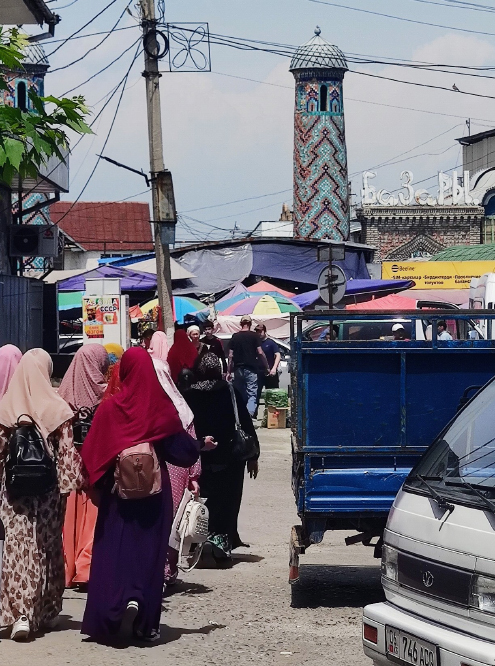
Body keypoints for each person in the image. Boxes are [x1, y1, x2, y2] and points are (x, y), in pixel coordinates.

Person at [80, 347, 214, 643]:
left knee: (115, 550)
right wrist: (200, 447)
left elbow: (93, 455)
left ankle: (112, 614)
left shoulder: (110, 409)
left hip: (119, 495)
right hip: (155, 494)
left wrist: (98, 488)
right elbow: (180, 449)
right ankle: (143, 617)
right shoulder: (159, 407)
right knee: (149, 553)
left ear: (123, 371)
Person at [0, 349, 82, 640]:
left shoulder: (6, 408)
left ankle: (19, 614)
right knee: (47, 548)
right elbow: (67, 457)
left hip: (15, 496)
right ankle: (46, 611)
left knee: (17, 549)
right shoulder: (57, 409)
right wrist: (68, 487)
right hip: (48, 494)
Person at [184, 353, 259, 563]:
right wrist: (254, 456)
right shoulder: (230, 391)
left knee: (198, 501)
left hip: (199, 457)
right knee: (227, 502)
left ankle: (196, 542)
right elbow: (245, 423)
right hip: (230, 458)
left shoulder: (188, 395)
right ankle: (221, 543)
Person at [149, 331, 200, 586]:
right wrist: (194, 475)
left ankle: (151, 571)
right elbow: (190, 437)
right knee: (172, 520)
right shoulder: (177, 404)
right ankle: (167, 571)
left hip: (147, 472)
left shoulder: (142, 405)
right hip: (177, 472)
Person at [58, 344, 109, 590]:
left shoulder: (63, 394)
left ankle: (66, 570)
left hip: (68, 469)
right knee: (93, 517)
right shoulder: (107, 395)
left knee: (68, 519)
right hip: (95, 467)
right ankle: (86, 570)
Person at [227, 315, 269, 417]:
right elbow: (260, 352)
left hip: (238, 369)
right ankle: (249, 416)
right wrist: (267, 366)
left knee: (240, 394)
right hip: (251, 368)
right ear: (250, 324)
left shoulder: (235, 336)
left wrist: (228, 371)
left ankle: (241, 416)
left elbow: (230, 356)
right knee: (252, 394)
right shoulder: (254, 336)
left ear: (241, 324)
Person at [254, 324, 281, 416]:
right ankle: (253, 415)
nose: (259, 333)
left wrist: (274, 368)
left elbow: (278, 355)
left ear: (265, 331)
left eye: (260, 331)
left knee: (272, 395)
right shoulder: (256, 343)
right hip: (259, 372)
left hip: (270, 373)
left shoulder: (271, 343)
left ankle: (273, 415)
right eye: (257, 331)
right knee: (256, 394)